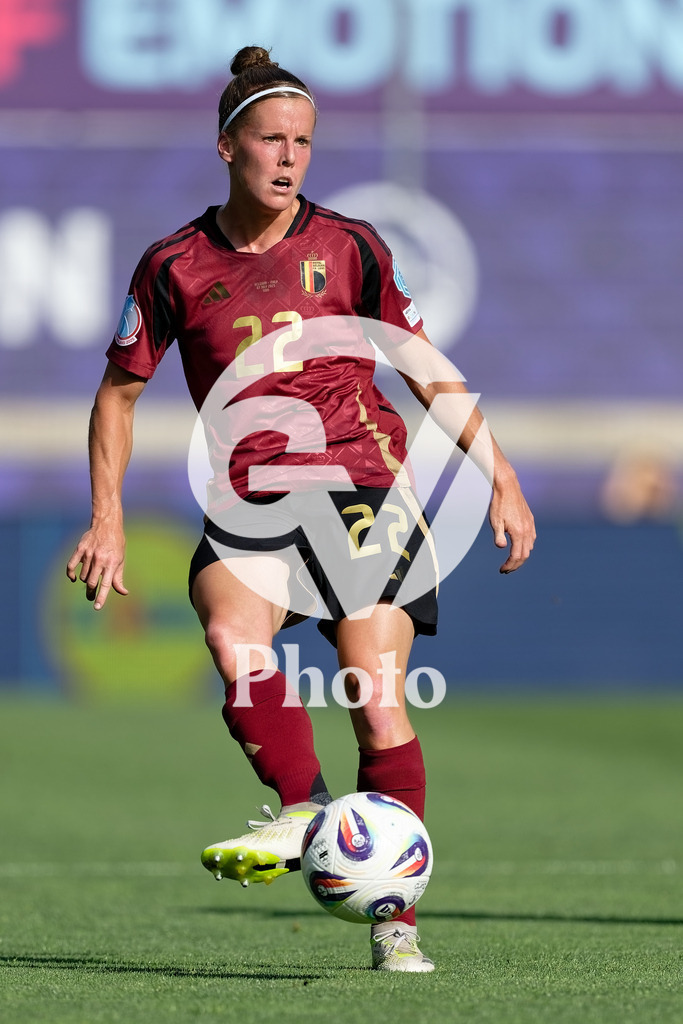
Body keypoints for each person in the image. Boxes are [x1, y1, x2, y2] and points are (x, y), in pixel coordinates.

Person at [66, 45, 535, 972]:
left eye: (304, 143)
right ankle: (305, 809)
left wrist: (500, 473)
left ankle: (392, 916)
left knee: (374, 701)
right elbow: (117, 396)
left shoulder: (350, 245)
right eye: (271, 140)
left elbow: (421, 364)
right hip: (250, 500)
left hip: (362, 486)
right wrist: (107, 516)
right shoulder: (174, 266)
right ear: (225, 147)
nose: (289, 158)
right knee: (229, 626)